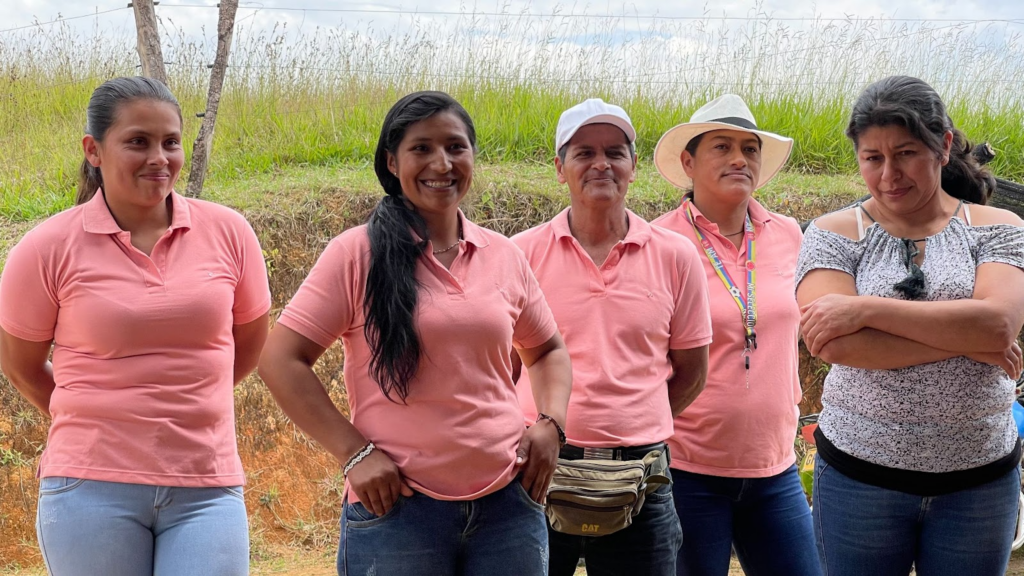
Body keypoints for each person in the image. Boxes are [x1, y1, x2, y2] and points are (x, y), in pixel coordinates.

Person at [257, 90, 572, 576]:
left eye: (455, 146)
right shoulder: (356, 254)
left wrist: (551, 423)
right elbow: (280, 359)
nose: (441, 163)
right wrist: (353, 452)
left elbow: (547, 349)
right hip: (397, 512)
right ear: (392, 161)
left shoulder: (503, 255)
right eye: (421, 148)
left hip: (509, 507)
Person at [0, 76, 271, 576]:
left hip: (205, 487)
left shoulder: (230, 233)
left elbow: (249, 342)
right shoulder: (45, 248)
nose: (160, 158)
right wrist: (92, 413)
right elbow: (21, 367)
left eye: (171, 141)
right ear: (94, 150)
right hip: (89, 487)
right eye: (138, 142)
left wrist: (185, 400)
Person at [796, 75, 1024, 576]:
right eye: (872, 158)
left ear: (942, 147)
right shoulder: (833, 233)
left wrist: (867, 310)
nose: (888, 174)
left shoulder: (998, 227)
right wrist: (969, 343)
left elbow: (998, 324)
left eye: (905, 153)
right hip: (859, 478)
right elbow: (833, 343)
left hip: (979, 481)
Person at [512, 98, 712, 576]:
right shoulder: (521, 254)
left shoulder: (675, 255)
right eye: (584, 152)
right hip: (537, 471)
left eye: (615, 152)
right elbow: (502, 369)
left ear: (633, 166)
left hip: (643, 477)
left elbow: (691, 371)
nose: (601, 163)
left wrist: (632, 421)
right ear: (560, 167)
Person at [651, 94, 821, 576]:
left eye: (749, 148)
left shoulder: (789, 234)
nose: (739, 159)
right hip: (686, 469)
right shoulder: (657, 243)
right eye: (721, 147)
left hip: (775, 468)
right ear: (688, 162)